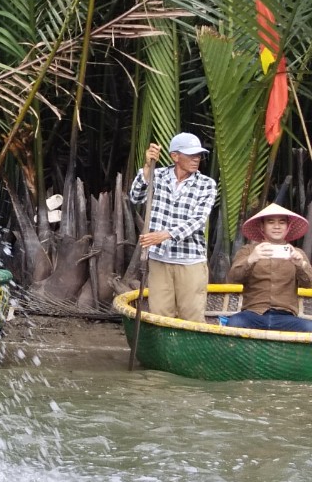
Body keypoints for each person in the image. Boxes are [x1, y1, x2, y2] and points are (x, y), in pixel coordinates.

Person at [128, 131, 217, 323]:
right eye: (191, 155)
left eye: (199, 155)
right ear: (175, 156)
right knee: (160, 314)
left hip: (190, 260)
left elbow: (198, 220)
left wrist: (165, 235)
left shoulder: (206, 184)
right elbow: (135, 197)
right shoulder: (157, 175)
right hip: (159, 258)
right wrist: (146, 168)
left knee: (191, 315)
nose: (196, 159)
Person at [224, 203, 312, 332]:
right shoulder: (248, 251)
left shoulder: (297, 253)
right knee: (235, 322)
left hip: (286, 316)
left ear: (288, 227)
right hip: (253, 313)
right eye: (270, 222)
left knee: (309, 327)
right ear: (262, 226)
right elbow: (232, 279)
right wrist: (251, 259)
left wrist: (301, 265)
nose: (277, 226)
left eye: (282, 222)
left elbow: (309, 284)